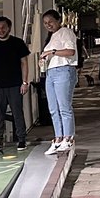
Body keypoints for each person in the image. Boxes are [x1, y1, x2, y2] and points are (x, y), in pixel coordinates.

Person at [0, 16, 30, 152]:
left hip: (15, 84)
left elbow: (24, 63)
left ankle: (22, 140)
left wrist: (25, 82)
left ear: (9, 28)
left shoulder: (18, 43)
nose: (1, 30)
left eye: (3, 27)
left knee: (17, 113)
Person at [38, 9, 79, 156]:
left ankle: (68, 137)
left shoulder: (66, 32)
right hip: (50, 72)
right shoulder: (51, 37)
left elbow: (71, 52)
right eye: (45, 23)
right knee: (53, 108)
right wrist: (43, 59)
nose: (48, 25)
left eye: (50, 22)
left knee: (64, 107)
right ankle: (58, 138)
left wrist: (52, 52)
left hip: (64, 70)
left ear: (58, 20)